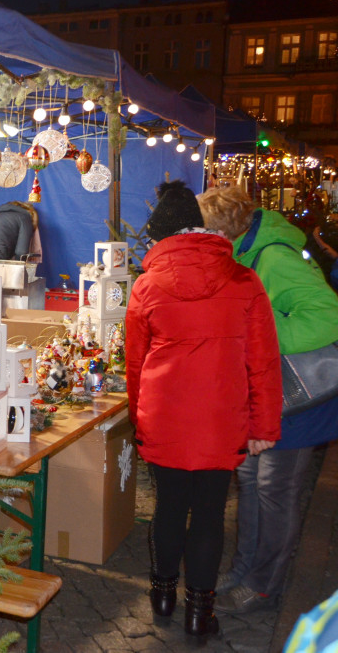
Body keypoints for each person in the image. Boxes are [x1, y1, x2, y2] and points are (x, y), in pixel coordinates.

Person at [126, 181, 281, 644]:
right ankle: (198, 614)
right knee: (211, 515)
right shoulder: (244, 281)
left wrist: (140, 419)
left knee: (169, 507)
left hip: (165, 415)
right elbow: (264, 361)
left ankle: (162, 597)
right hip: (220, 418)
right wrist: (264, 426)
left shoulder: (147, 284)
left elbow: (136, 364)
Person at [197, 186, 338, 615]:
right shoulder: (245, 253)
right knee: (252, 483)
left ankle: (263, 586)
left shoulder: (273, 256)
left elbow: (328, 316)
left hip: (299, 400)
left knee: (274, 489)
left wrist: (258, 330)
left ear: (222, 230)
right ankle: (244, 571)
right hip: (267, 393)